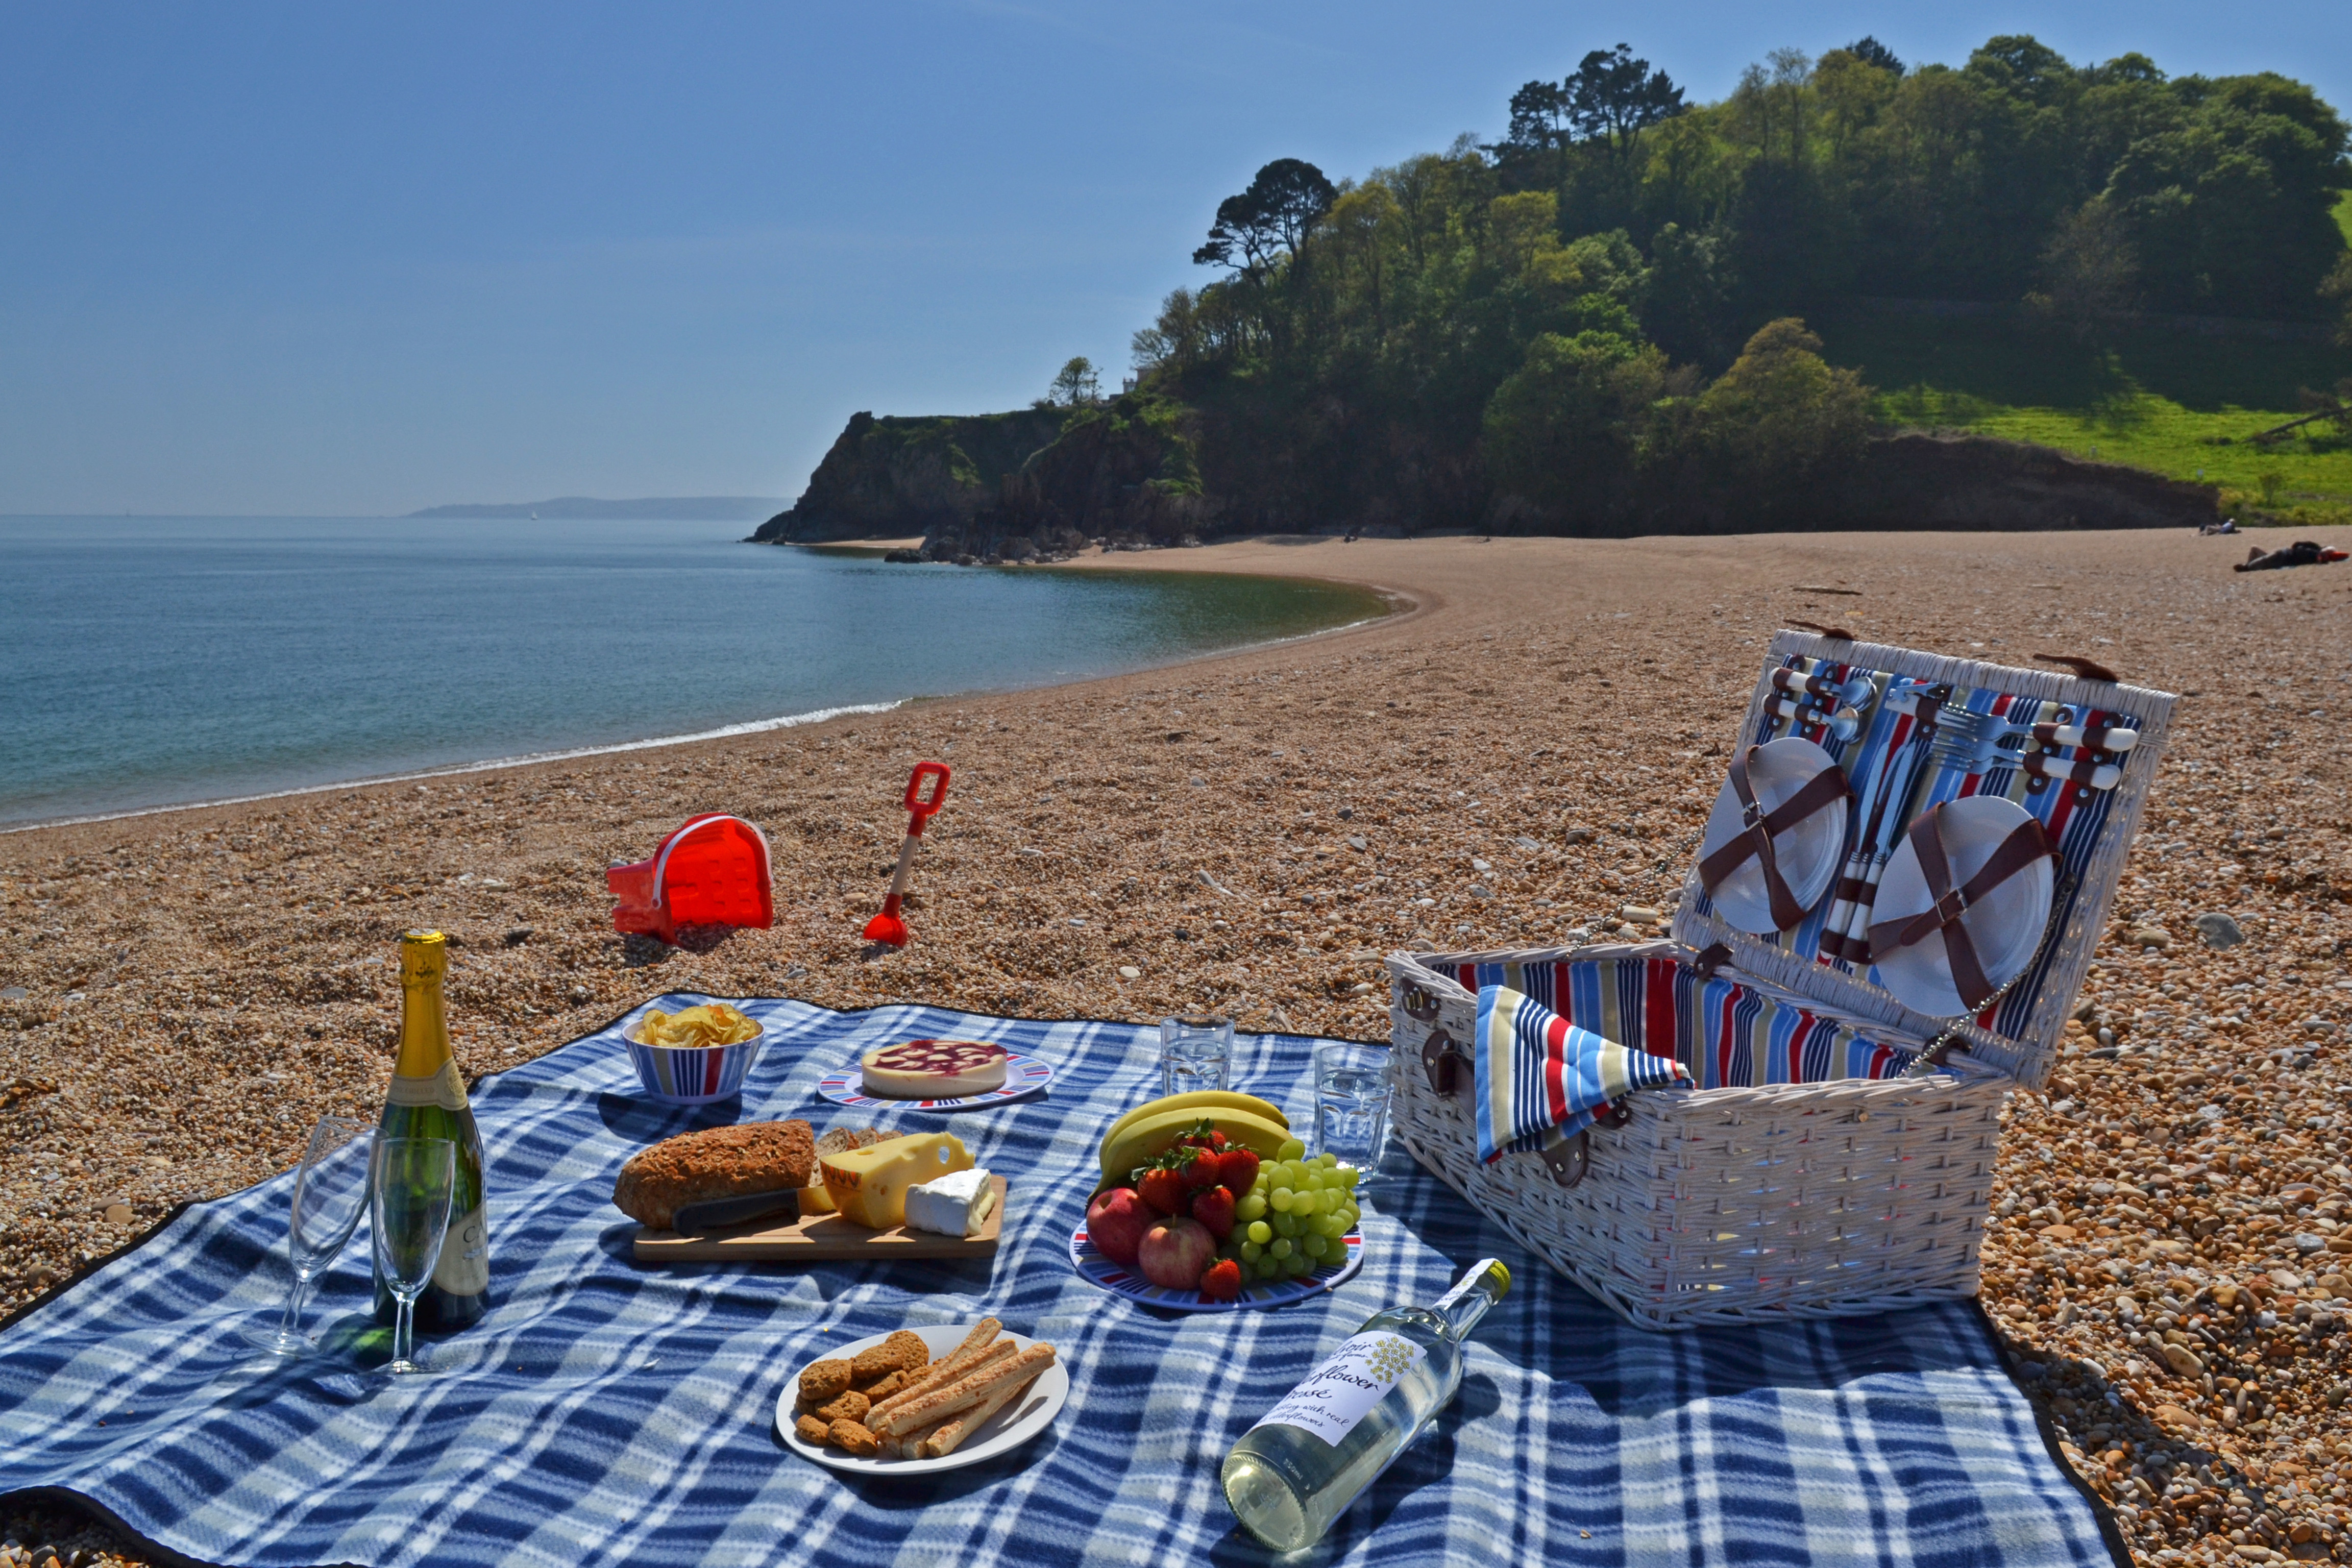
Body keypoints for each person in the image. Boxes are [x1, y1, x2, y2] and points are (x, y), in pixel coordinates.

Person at [2235, 539, 2349, 572]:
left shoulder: (2315, 556)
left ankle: (2247, 567)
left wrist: (2322, 559)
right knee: (2255, 549)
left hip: (2281, 558)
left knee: (2263, 562)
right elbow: (2297, 546)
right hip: (2281, 554)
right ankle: (2248, 566)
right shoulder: (2314, 550)